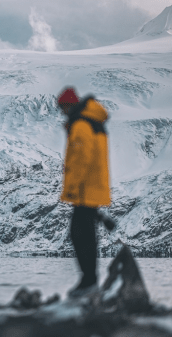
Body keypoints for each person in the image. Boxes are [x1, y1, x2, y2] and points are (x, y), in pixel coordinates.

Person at [57, 87, 114, 298]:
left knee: (80, 234)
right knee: (86, 231)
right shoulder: (92, 121)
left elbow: (81, 156)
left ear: (69, 105)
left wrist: (72, 188)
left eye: (63, 108)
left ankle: (89, 281)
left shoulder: (81, 123)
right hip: (93, 186)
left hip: (84, 188)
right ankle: (89, 280)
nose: (62, 112)